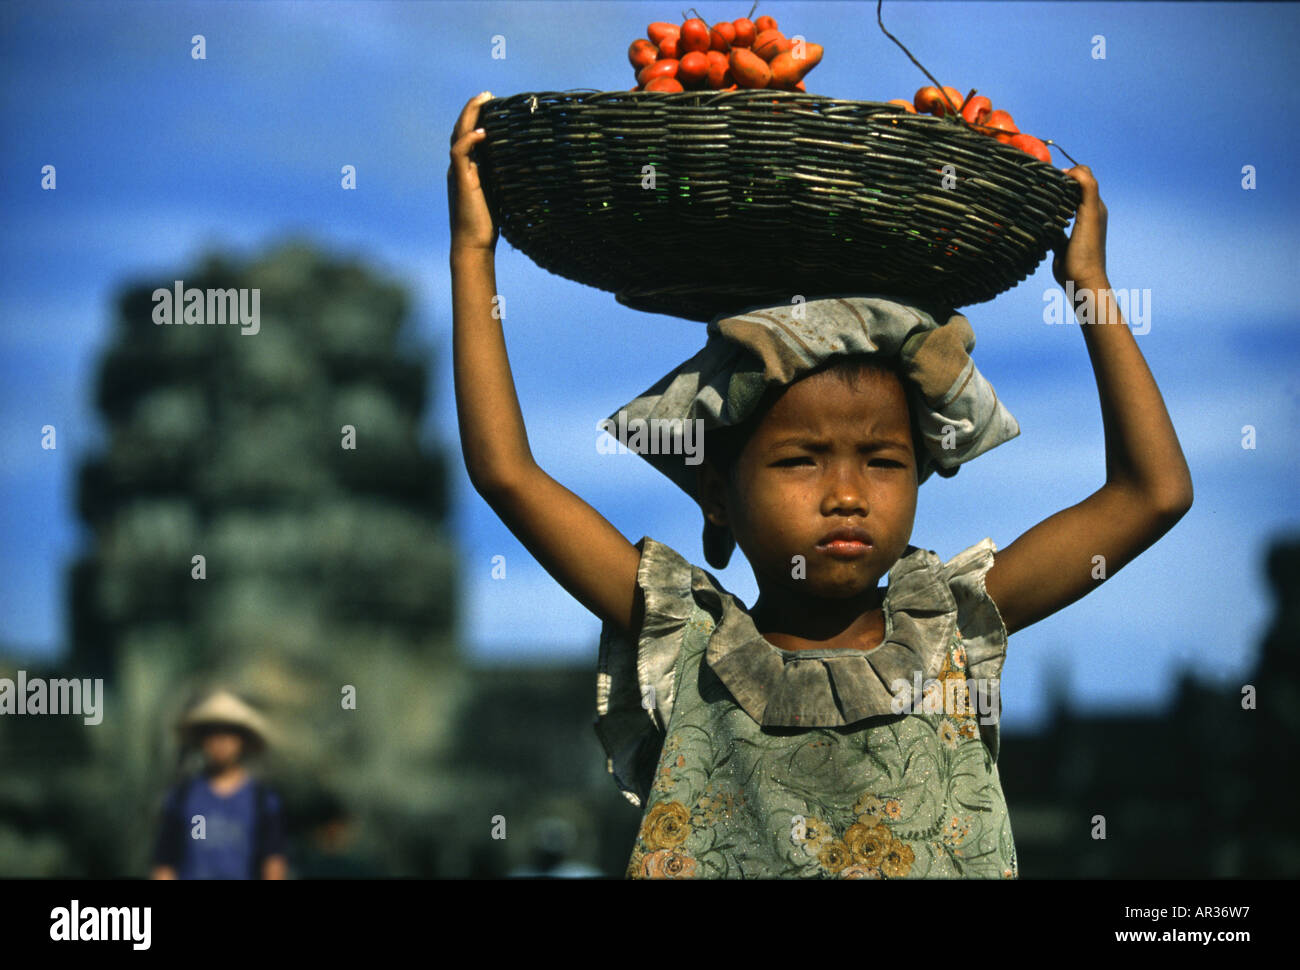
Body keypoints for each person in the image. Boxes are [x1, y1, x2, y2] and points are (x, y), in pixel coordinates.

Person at [447, 92, 1192, 878]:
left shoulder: (952, 629)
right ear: (716, 496)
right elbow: (506, 471)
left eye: (883, 460)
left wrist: (1088, 285)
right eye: (800, 460)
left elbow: (1153, 493)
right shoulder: (689, 644)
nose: (847, 493)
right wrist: (473, 255)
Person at [150, 690, 288, 880]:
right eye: (213, 732)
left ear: (242, 740)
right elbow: (165, 862)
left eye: (229, 732)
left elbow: (273, 862)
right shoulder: (182, 796)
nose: (221, 741)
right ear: (202, 739)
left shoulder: (262, 800)